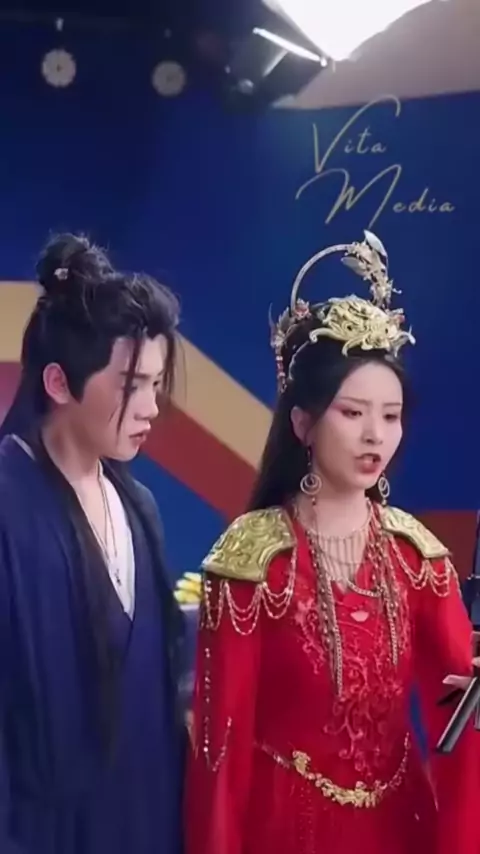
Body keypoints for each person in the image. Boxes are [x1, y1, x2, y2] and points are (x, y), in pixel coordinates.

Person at [183, 231, 480, 854]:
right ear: (303, 422)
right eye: (352, 413)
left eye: (391, 416)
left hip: (401, 829)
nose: (375, 435)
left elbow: (458, 719)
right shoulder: (253, 564)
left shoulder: (417, 559)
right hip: (283, 831)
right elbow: (220, 754)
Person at [0, 234, 185, 854]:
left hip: (141, 824)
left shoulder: (139, 505)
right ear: (59, 382)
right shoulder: (8, 505)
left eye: (157, 383)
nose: (151, 407)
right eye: (133, 383)